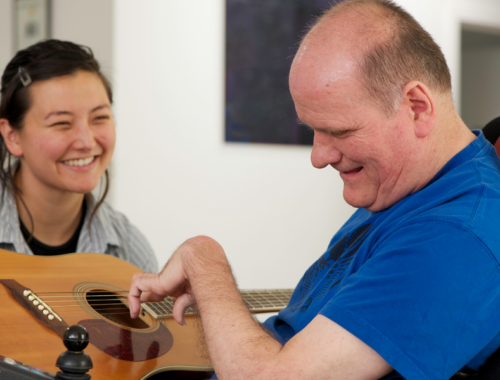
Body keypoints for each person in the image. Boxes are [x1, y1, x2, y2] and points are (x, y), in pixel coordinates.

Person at [129, 0, 500, 379]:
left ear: (417, 108)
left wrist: (202, 259)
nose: (318, 157)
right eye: (312, 130)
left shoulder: (456, 234)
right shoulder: (404, 189)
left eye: (339, 131)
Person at [0, 39, 157, 273]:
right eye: (62, 123)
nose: (87, 142)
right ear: (12, 136)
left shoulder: (130, 250)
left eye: (100, 118)